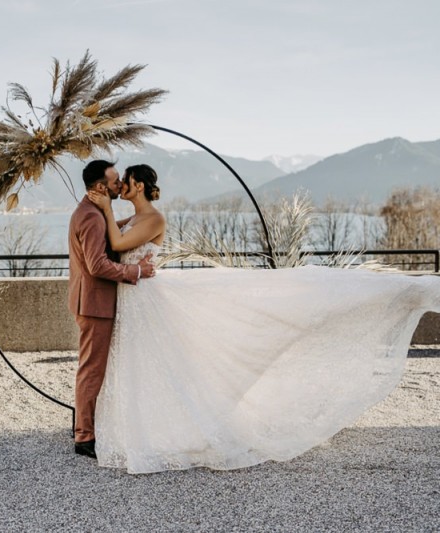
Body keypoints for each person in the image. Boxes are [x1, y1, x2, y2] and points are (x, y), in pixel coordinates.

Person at [87, 163, 440, 473]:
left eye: (127, 181)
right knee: (146, 364)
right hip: (137, 298)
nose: (122, 187)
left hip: (146, 298)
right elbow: (107, 237)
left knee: (164, 363)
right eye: (120, 182)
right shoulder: (134, 216)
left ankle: (176, 429)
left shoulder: (154, 218)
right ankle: (144, 425)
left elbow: (117, 245)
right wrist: (98, 210)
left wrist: (102, 207)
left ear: (140, 187)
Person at [67, 160, 155, 459]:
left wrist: (118, 218)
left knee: (92, 367)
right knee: (92, 370)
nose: (120, 185)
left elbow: (113, 234)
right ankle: (84, 437)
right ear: (102, 187)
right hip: (95, 303)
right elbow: (97, 265)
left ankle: (83, 422)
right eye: (116, 181)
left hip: (92, 301)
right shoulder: (91, 217)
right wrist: (135, 272)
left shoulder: (90, 212)